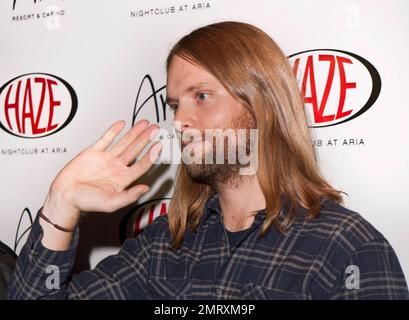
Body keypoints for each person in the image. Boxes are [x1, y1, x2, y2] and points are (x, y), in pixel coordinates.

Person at [8, 21, 408, 300]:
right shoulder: (163, 245)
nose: (180, 121)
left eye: (201, 96)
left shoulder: (346, 248)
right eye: (175, 104)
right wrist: (61, 204)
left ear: (263, 103)